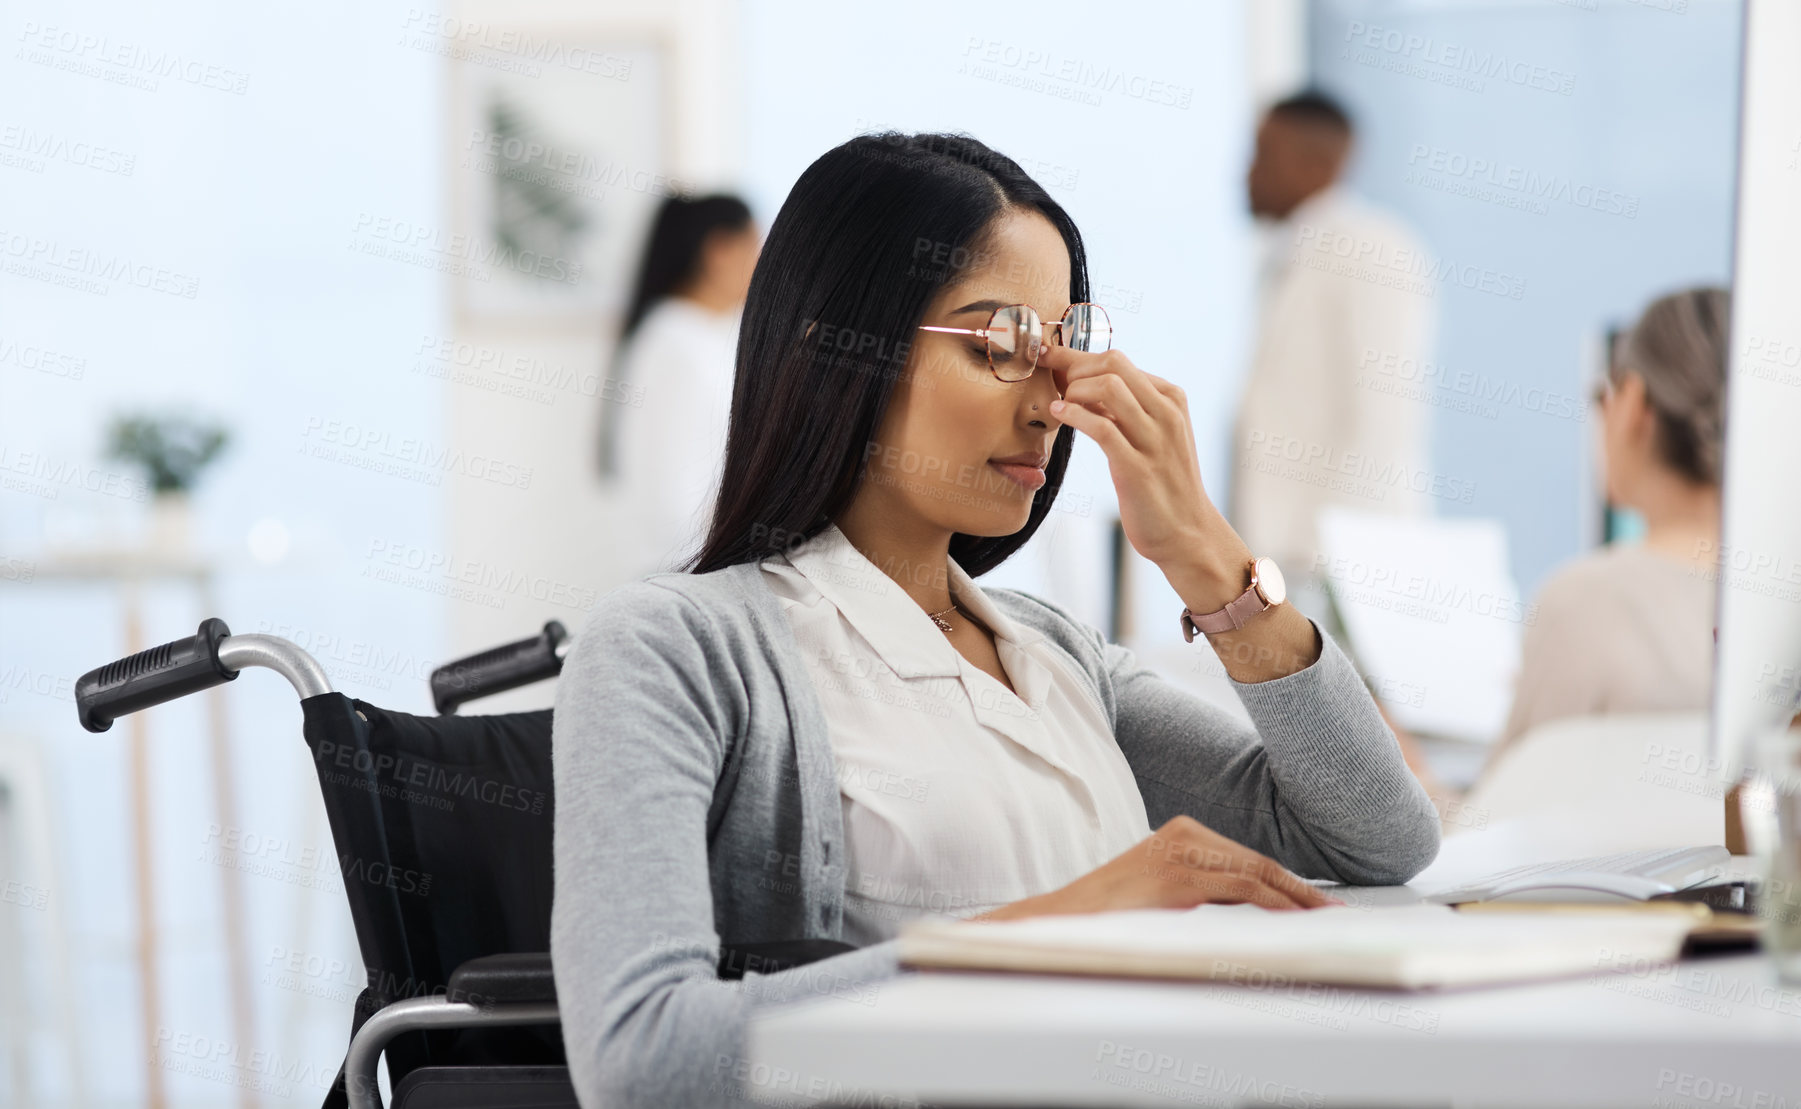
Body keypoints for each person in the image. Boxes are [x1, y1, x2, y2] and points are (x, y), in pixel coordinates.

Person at [550, 132, 1441, 1108]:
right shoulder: (673, 648)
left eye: (1061, 351)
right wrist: (1055, 931)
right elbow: (639, 1061)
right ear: (837, 345)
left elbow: (1380, 838)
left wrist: (1207, 557)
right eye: (1000, 346)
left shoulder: (1055, 655)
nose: (1050, 405)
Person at [1485, 286, 1729, 768]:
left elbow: (1493, 828)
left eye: (1604, 395)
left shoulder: (1584, 602)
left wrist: (1412, 774)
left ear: (1634, 403)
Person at [1231, 90, 1436, 619]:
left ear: (1316, 163)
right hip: (1296, 565)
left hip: (1343, 570)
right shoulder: (1295, 256)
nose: (1246, 173)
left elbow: (1383, 414)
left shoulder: (1374, 248)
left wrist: (1331, 563)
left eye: (1262, 154)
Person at [599, 192, 760, 577]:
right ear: (719, 251)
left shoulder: (702, 334)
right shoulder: (675, 342)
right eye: (756, 245)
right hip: (685, 572)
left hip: (695, 569)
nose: (763, 264)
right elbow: (672, 492)